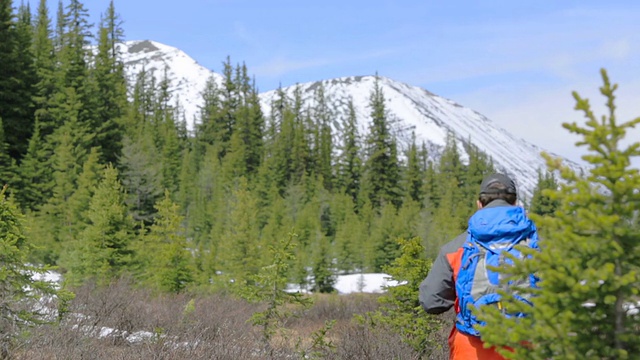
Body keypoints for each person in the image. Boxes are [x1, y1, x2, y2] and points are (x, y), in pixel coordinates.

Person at [419, 173, 539, 360]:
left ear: (479, 204)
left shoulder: (455, 248)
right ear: (515, 204)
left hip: (471, 349)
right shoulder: (539, 248)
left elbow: (431, 302)